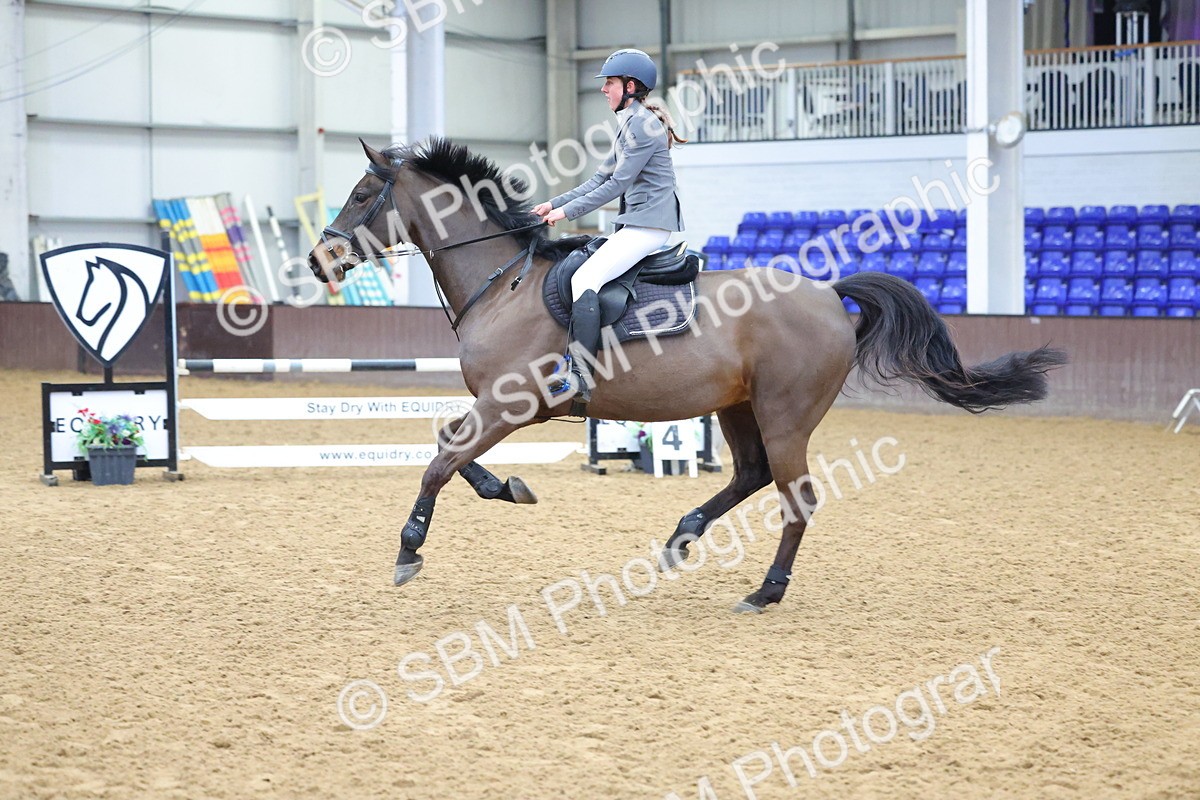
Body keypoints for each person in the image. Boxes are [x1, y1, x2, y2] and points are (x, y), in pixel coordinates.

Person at [532, 48, 687, 407]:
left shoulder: (643, 125)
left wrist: (567, 215)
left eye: (610, 83)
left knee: (583, 279)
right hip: (638, 221)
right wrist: (554, 204)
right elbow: (599, 179)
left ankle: (580, 374)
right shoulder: (630, 123)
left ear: (631, 86)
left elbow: (616, 185)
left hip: (648, 224)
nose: (604, 89)